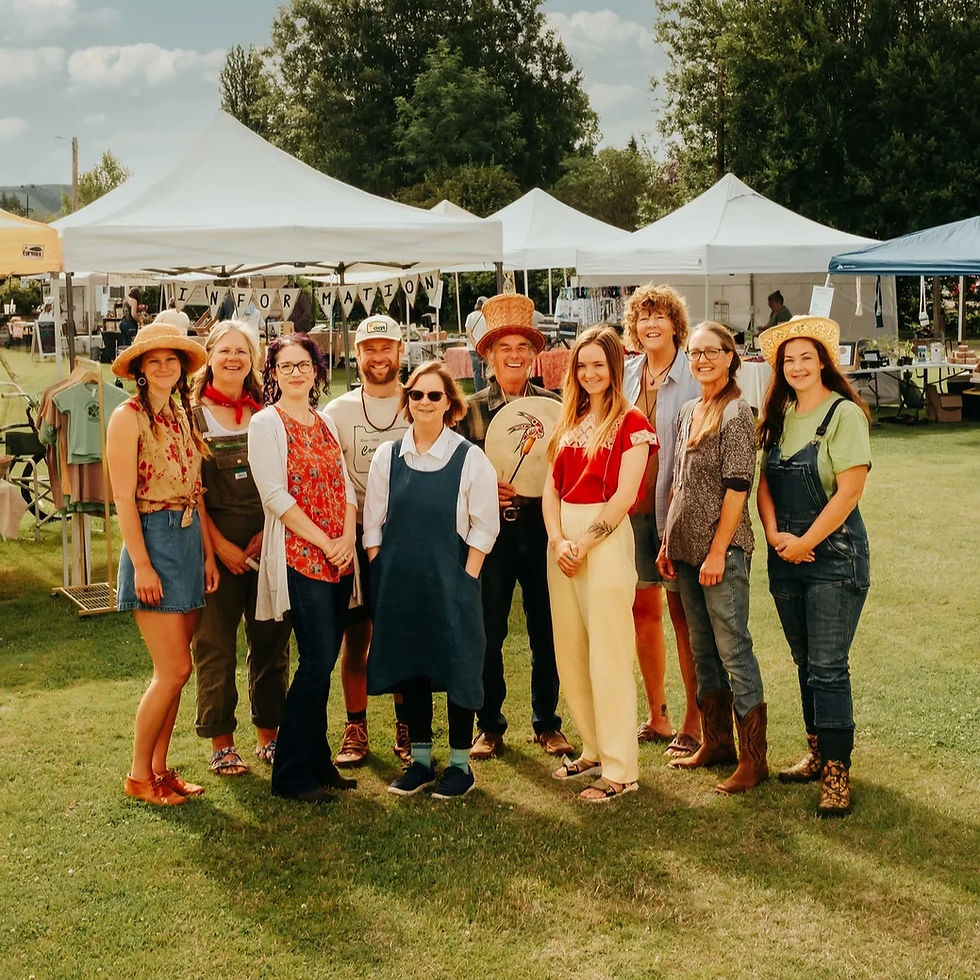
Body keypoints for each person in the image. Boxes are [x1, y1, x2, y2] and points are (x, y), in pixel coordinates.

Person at [364, 361, 499, 799]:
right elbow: (373, 523)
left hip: (452, 579)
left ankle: (460, 766)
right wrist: (380, 566)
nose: (425, 402)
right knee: (413, 665)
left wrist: (467, 577)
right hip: (401, 582)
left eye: (434, 396)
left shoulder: (469, 458)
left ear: (450, 405)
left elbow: (485, 525)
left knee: (458, 664)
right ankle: (420, 762)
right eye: (417, 395)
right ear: (408, 401)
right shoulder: (388, 456)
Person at [756, 316, 871, 817]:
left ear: (823, 361)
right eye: (789, 360)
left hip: (834, 557)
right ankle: (817, 751)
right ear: (780, 368)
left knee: (827, 667)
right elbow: (763, 485)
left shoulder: (844, 414)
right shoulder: (777, 416)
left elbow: (850, 491)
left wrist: (807, 542)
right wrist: (777, 535)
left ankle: (837, 774)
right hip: (786, 556)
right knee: (805, 664)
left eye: (807, 357)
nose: (798, 366)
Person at [456, 293, 574, 761]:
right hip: (492, 536)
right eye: (504, 347)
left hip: (545, 529)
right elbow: (457, 475)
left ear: (534, 354)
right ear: (488, 354)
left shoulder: (556, 405)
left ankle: (547, 722)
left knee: (548, 627)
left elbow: (569, 466)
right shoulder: (468, 409)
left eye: (523, 347)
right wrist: (487, 485)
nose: (514, 355)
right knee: (489, 630)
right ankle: (489, 724)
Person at [106, 314, 217, 806]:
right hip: (151, 538)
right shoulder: (126, 417)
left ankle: (159, 769)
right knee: (170, 670)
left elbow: (198, 490)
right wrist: (143, 564)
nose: (166, 366)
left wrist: (209, 556)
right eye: (156, 360)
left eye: (173, 359)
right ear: (140, 369)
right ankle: (137, 775)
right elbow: (123, 499)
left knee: (182, 669)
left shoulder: (182, 414)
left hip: (189, 540)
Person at [544, 325, 656, 802]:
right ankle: (592, 747)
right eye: (582, 365)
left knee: (609, 653)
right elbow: (552, 487)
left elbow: (625, 496)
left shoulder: (631, 424)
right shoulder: (570, 420)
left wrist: (583, 543)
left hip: (603, 542)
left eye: (598, 364)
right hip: (562, 542)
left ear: (614, 368)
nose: (590, 373)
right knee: (571, 650)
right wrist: (557, 540)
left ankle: (620, 769)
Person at [657, 321, 768, 795]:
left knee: (733, 649)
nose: (701, 360)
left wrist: (718, 550)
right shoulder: (687, 411)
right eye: (695, 352)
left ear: (730, 357)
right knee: (704, 651)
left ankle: (753, 759)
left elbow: (738, 486)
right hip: (683, 551)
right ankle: (717, 741)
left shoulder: (737, 412)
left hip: (721, 552)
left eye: (711, 352)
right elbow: (680, 482)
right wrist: (668, 542)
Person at [248, 334, 358, 804]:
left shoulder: (325, 421)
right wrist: (324, 542)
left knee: (325, 660)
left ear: (317, 371)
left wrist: (347, 537)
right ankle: (291, 774)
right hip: (302, 554)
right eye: (285, 365)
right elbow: (274, 496)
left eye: (304, 365)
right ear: (273, 374)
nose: (296, 372)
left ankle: (317, 761)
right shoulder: (265, 423)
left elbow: (346, 485)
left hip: (339, 554)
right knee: (315, 661)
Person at [189, 322, 292, 778]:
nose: (234, 359)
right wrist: (220, 548)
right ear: (210, 356)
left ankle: (270, 735)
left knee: (271, 637)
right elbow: (192, 492)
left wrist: (266, 535)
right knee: (215, 644)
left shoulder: (267, 414)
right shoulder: (190, 416)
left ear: (253, 361)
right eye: (226, 351)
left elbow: (282, 481)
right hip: (213, 542)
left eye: (243, 352)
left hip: (267, 539)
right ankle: (221, 742)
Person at [323, 314, 412, 767]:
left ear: (401, 352)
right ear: (356, 355)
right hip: (354, 535)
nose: (378, 357)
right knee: (355, 638)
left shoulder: (419, 401)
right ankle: (355, 726)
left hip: (405, 538)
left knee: (399, 634)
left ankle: (407, 724)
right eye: (369, 349)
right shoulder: (336, 412)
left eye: (386, 348)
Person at [622, 285, 702, 760]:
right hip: (631, 509)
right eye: (643, 317)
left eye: (660, 316)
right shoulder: (627, 372)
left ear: (675, 323)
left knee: (683, 616)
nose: (651, 324)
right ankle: (658, 713)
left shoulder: (694, 372)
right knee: (641, 611)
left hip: (678, 509)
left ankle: (695, 718)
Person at [464, 296, 488, 392]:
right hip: (486, 348)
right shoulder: (488, 317)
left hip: (473, 348)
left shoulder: (470, 316)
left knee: (477, 372)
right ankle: (488, 390)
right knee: (487, 371)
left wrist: (475, 345)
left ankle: (478, 392)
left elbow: (468, 333)